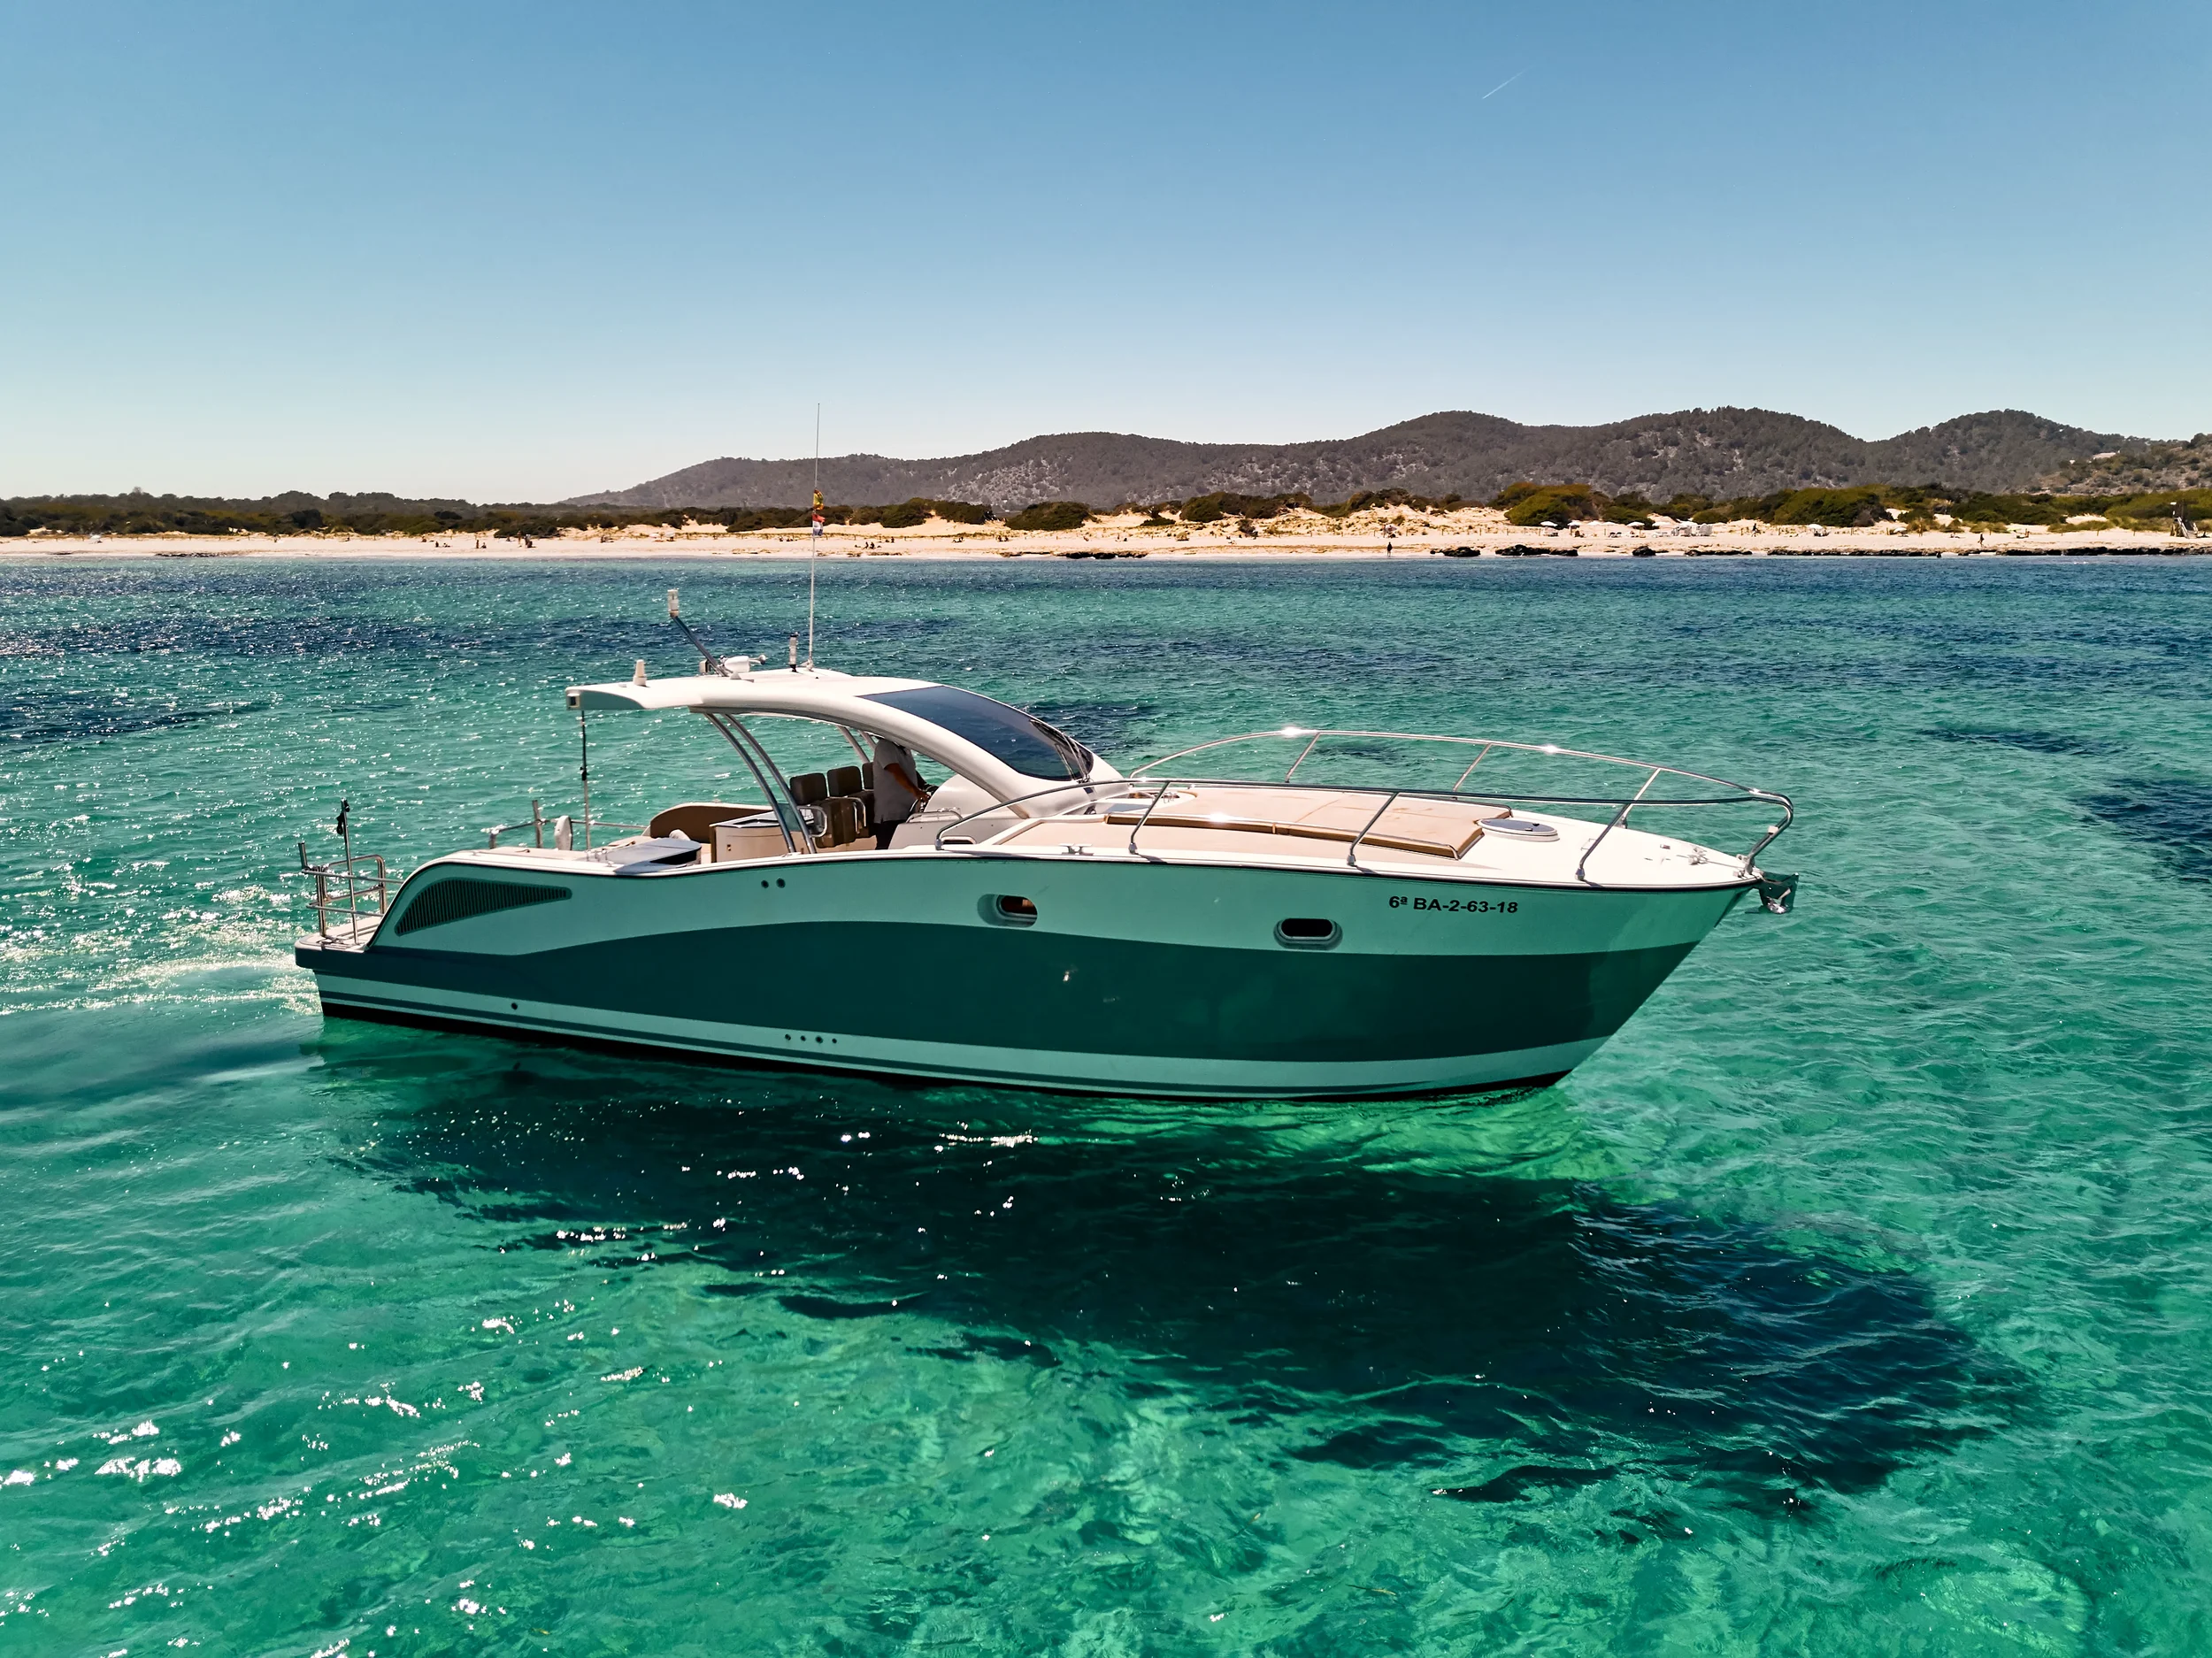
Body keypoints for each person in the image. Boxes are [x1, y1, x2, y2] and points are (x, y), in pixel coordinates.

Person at [871, 735, 927, 848]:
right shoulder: (885, 746)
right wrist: (916, 792)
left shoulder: (903, 749)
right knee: (887, 849)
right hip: (890, 814)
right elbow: (895, 771)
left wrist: (925, 786)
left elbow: (910, 771)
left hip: (907, 811)